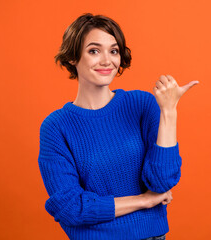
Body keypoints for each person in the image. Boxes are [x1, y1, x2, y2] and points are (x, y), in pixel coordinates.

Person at [38, 13, 198, 240]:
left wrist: (169, 111)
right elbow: (71, 208)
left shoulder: (142, 105)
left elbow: (162, 181)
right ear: (73, 57)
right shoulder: (56, 127)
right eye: (94, 51)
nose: (107, 60)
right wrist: (144, 200)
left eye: (113, 51)